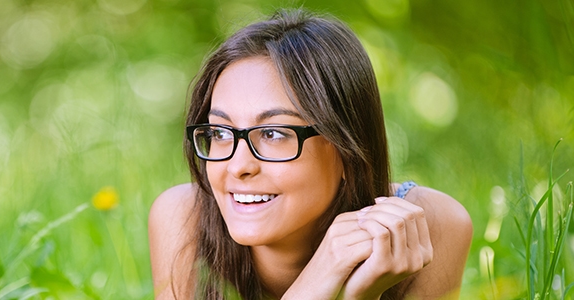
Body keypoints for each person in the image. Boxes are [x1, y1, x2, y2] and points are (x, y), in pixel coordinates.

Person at [148, 9, 472, 300]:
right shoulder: (183, 220)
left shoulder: (429, 227)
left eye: (274, 134)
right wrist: (324, 284)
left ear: (348, 147)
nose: (238, 166)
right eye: (220, 132)